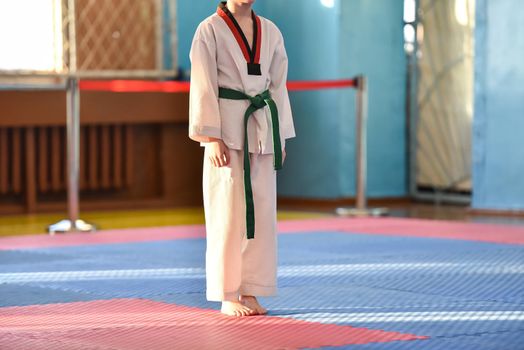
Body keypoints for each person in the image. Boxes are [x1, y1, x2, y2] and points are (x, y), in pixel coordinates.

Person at [188, 0, 295, 316]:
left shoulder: (271, 32)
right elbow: (202, 84)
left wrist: (279, 135)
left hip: (262, 129)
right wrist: (210, 138)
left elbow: (278, 87)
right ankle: (226, 292)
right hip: (226, 131)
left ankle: (251, 290)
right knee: (228, 213)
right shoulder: (208, 30)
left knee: (261, 213)